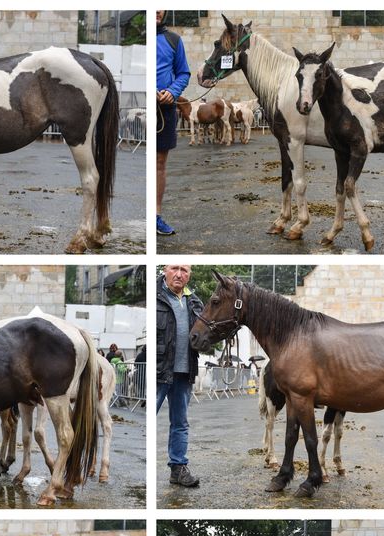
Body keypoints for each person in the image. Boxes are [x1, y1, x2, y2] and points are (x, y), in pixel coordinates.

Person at [156, 265, 203, 487]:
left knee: (180, 423)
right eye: (174, 268)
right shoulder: (155, 295)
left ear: (189, 275)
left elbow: (204, 333)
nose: (179, 274)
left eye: (184, 270)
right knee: (148, 418)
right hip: (159, 370)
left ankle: (178, 468)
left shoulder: (195, 301)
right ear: (165, 270)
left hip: (185, 371)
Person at [156, 10, 190, 236]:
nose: (157, 9)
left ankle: (156, 216)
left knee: (159, 163)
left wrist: (172, 91)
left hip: (165, 108)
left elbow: (183, 73)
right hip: (144, 107)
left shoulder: (173, 40)